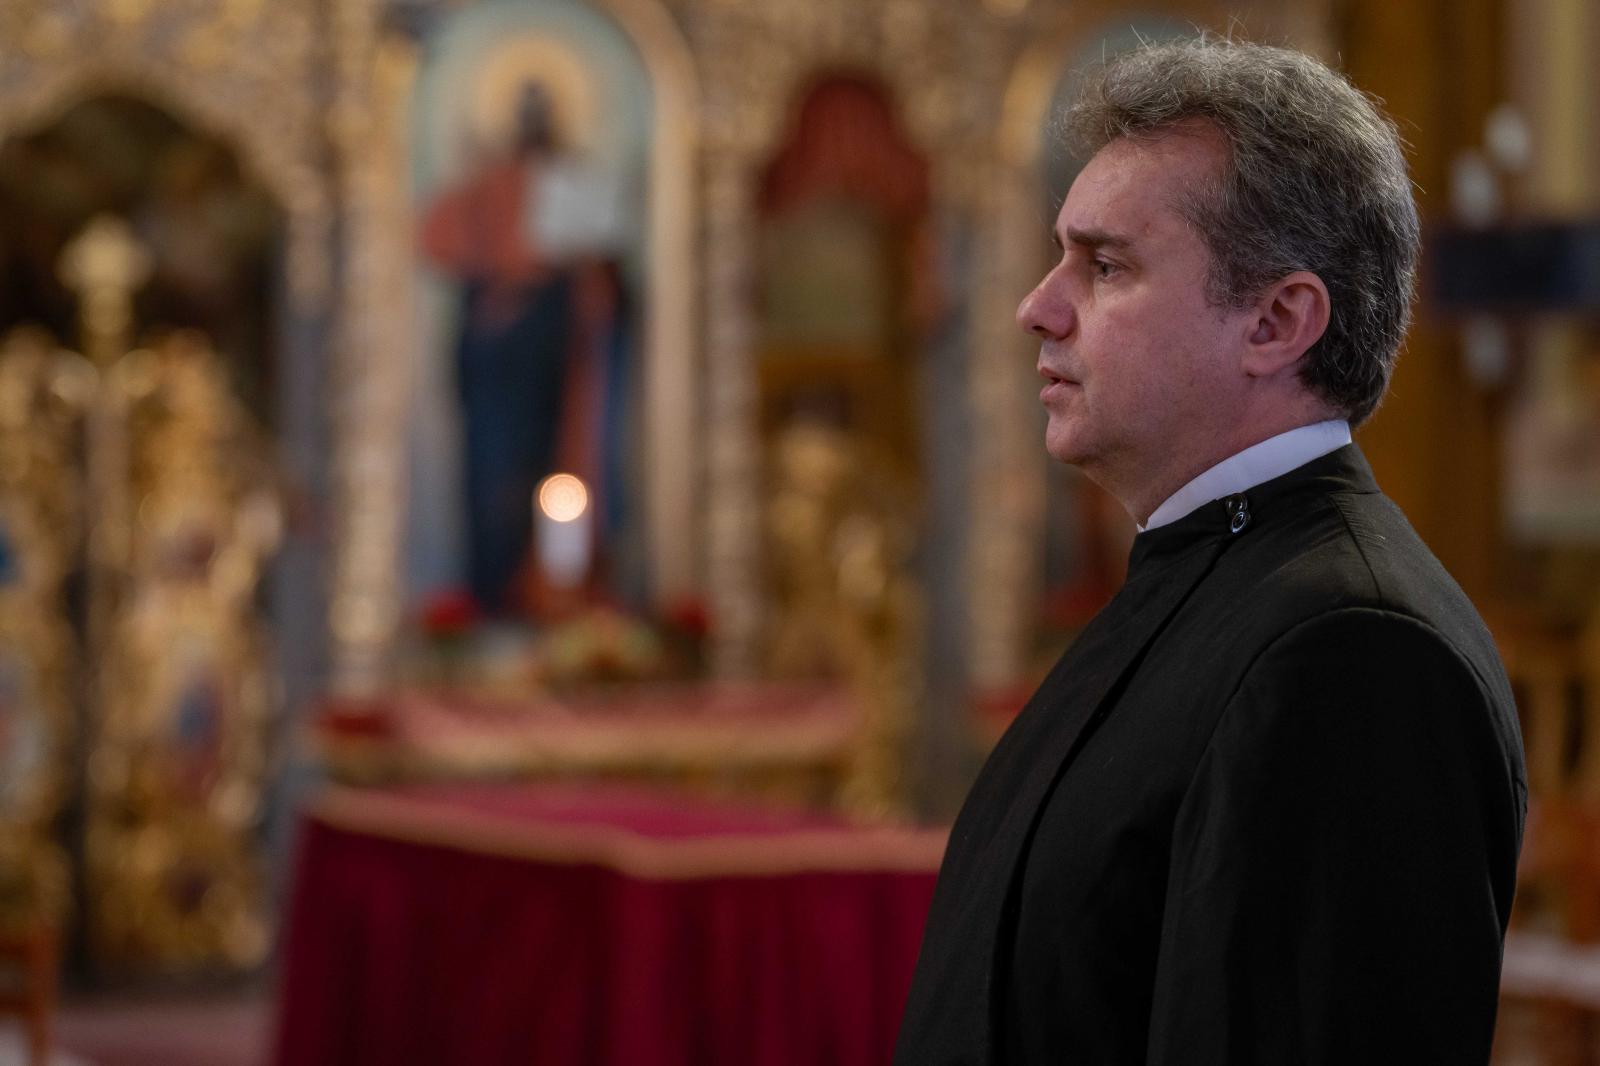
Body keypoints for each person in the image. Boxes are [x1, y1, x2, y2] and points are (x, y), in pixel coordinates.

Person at [895, 38, 1527, 1065]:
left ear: (1276, 321)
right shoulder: (1208, 575)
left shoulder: (1353, 651)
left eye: (1105, 266)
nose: (1036, 307)